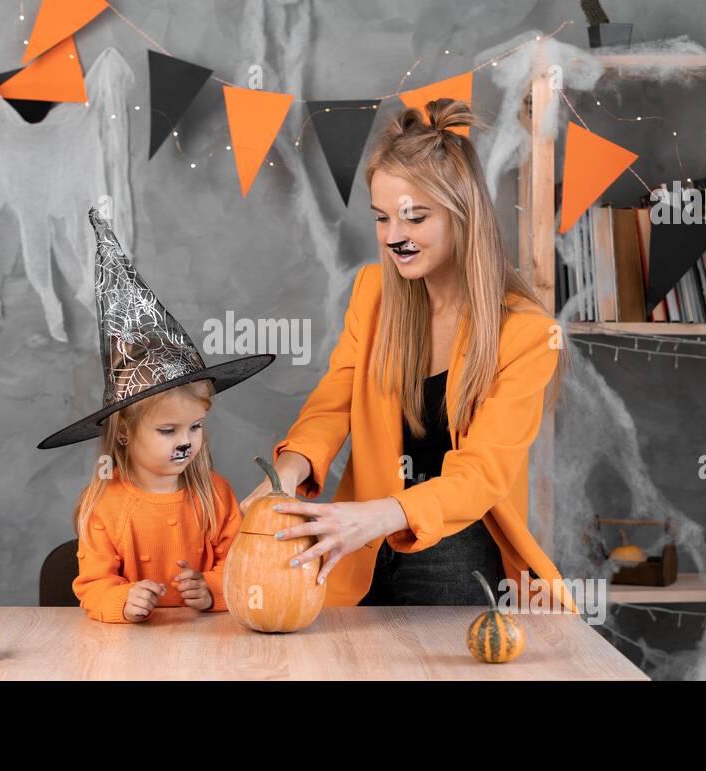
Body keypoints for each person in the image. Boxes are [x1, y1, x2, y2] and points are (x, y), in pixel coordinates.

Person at [239, 98, 576, 612]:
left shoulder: (528, 334)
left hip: (454, 543)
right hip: (361, 538)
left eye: (414, 218)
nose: (394, 237)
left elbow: (481, 474)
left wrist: (382, 514)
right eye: (381, 218)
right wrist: (288, 469)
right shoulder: (372, 293)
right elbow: (333, 404)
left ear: (463, 215)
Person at [37, 206, 274, 622]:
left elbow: (242, 566)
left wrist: (212, 589)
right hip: (130, 648)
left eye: (195, 426)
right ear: (124, 433)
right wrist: (122, 600)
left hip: (208, 645)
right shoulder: (104, 505)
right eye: (168, 430)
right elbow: (94, 585)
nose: (186, 441)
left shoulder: (215, 495)